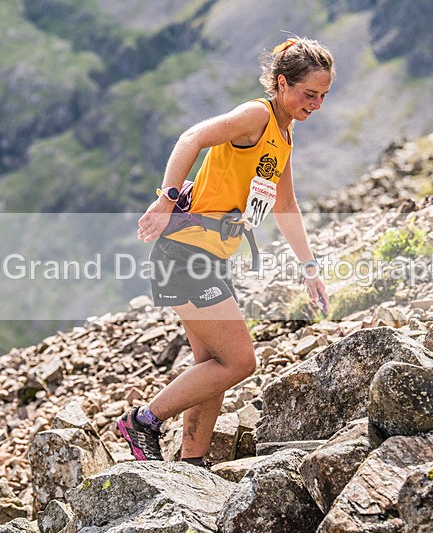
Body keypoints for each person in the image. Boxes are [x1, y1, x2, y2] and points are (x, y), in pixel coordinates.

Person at [117, 36, 334, 465]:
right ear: (282, 83)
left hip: (208, 257)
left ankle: (192, 462)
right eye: (310, 94)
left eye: (324, 96)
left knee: (212, 365)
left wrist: (309, 268)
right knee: (238, 362)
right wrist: (166, 199)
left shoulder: (283, 135)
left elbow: (285, 205)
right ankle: (143, 420)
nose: (317, 104)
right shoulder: (257, 115)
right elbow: (192, 137)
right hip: (185, 253)